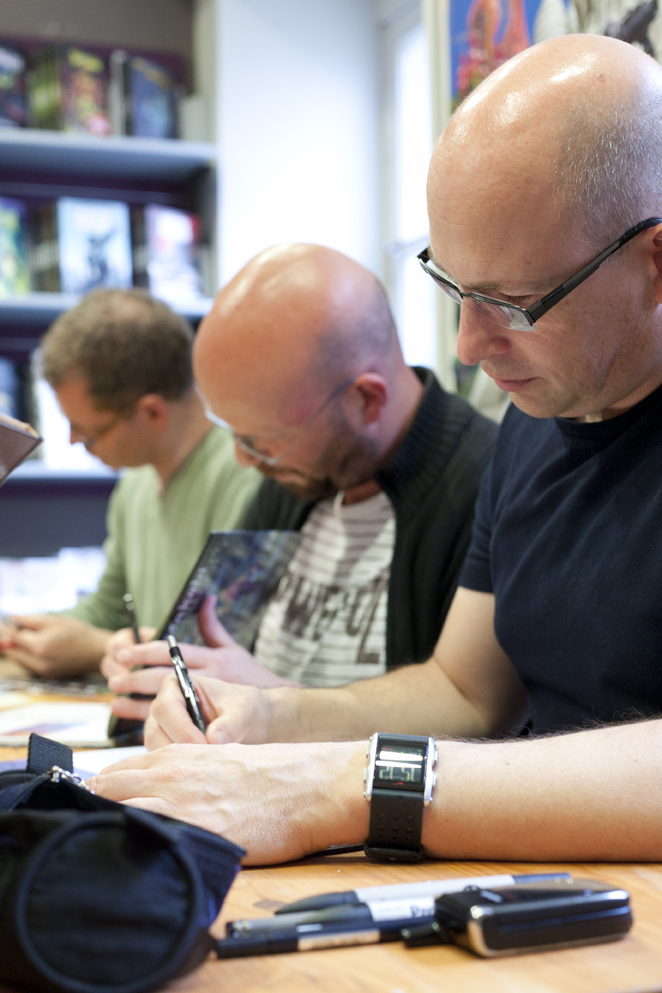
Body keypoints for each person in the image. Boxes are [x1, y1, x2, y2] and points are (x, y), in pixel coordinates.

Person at [90, 34, 662, 866]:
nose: (468, 346)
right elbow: (467, 692)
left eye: (515, 302)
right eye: (455, 289)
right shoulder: (535, 422)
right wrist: (273, 715)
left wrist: (347, 783)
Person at [102, 244, 497, 723]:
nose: (244, 461)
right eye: (235, 434)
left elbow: (468, 720)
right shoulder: (297, 477)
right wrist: (168, 664)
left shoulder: (487, 487)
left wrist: (275, 701)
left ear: (366, 400)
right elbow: (223, 635)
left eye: (265, 442)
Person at [0, 289, 260, 678]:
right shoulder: (136, 482)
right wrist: (24, 632)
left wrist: (96, 648)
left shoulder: (246, 481)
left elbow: (222, 647)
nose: (72, 441)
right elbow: (108, 610)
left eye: (87, 432)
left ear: (152, 412)